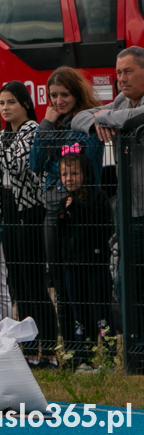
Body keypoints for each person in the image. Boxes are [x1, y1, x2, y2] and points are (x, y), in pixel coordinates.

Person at [0, 81, 57, 364]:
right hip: (7, 214)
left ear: (25, 104)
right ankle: (29, 350)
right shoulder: (2, 135)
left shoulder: (31, 131)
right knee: (17, 284)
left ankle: (50, 349)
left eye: (11, 103)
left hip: (30, 214)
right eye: (2, 103)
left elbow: (19, 163)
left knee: (34, 285)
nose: (5, 108)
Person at [72, 45, 144, 356]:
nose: (120, 79)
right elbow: (78, 118)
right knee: (124, 285)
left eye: (128, 71)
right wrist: (99, 120)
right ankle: (137, 352)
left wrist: (107, 117)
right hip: (127, 211)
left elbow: (133, 118)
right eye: (118, 73)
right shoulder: (120, 102)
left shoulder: (127, 108)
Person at [29, 66, 103, 353]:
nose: (58, 101)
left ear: (77, 94)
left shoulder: (88, 122)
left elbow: (80, 156)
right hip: (53, 210)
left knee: (85, 283)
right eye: (53, 96)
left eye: (65, 95)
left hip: (84, 211)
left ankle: (91, 346)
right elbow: (35, 163)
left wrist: (53, 143)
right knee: (59, 284)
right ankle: (71, 346)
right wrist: (46, 129)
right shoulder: (51, 125)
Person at [56, 149, 114, 369]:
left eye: (74, 173)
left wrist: (76, 207)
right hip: (72, 264)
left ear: (85, 175)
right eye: (64, 174)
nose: (69, 179)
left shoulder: (97, 197)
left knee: (102, 310)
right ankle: (83, 358)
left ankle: (109, 358)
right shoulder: (64, 201)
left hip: (96, 263)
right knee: (78, 311)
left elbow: (102, 226)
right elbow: (62, 232)